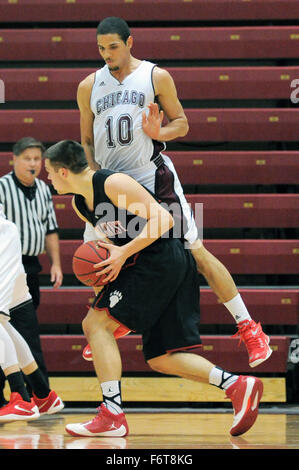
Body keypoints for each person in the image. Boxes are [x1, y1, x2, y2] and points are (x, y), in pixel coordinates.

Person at [77, 16, 272, 368]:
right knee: (97, 254)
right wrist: (94, 178)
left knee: (195, 252)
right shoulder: (88, 86)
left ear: (130, 42)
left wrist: (160, 131)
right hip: (110, 184)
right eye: (101, 48)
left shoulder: (155, 76)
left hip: (154, 179)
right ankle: (108, 317)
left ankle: (249, 327)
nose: (107, 54)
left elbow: (182, 122)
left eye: (114, 47)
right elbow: (87, 140)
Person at [45, 140, 264, 438]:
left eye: (49, 172)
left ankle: (112, 414)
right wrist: (109, 256)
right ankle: (237, 385)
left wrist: (122, 254)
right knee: (162, 356)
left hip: (161, 258)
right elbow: (109, 241)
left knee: (95, 324)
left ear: (63, 171)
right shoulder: (81, 203)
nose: (48, 179)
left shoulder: (112, 183)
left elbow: (164, 219)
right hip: (158, 264)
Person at [0, 136, 63, 404]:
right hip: (11, 256)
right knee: (9, 329)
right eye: (28, 158)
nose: (33, 163)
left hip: (16, 261)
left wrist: (56, 263)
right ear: (14, 159)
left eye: (38, 158)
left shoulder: (43, 189)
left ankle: (20, 397)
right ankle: (41, 394)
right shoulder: (3, 186)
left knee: (13, 328)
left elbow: (50, 228)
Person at [0, 207, 64, 422]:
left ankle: (21, 399)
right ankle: (43, 394)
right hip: (6, 237)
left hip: (2, 237)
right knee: (3, 324)